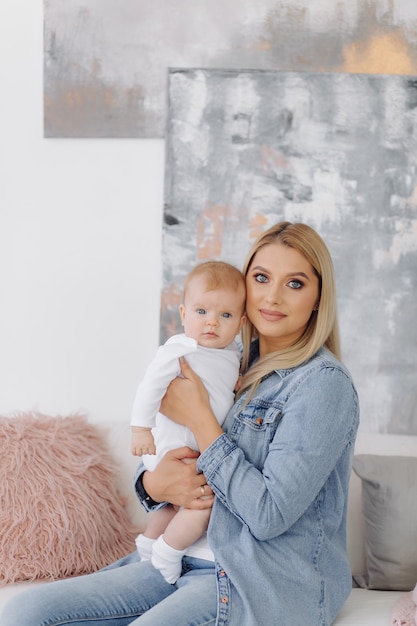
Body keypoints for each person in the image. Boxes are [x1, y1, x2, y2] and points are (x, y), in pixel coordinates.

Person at [1, 221, 359, 626]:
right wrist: (152, 484)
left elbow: (269, 515)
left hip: (254, 579)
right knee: (24, 613)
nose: (272, 296)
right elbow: (165, 451)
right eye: (261, 278)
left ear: (318, 298)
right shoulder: (225, 357)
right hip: (178, 556)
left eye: (295, 284)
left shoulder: (322, 384)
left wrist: (202, 418)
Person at [130, 260, 246, 583]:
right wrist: (140, 426)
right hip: (171, 445)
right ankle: (169, 552)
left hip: (198, 448)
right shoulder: (180, 349)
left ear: (240, 322)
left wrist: (240, 381)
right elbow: (151, 385)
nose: (212, 322)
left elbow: (226, 383)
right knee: (202, 506)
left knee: (171, 506)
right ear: (183, 314)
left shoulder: (232, 353)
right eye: (201, 312)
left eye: (225, 315)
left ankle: (149, 544)